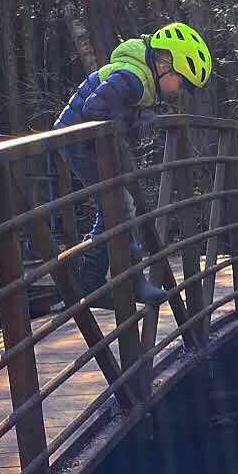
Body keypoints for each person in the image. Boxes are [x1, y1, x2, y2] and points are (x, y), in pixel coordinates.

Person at [54, 22, 213, 305]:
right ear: (165, 66)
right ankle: (126, 280)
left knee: (114, 207)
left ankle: (91, 284)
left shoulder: (142, 76)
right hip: (76, 139)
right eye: (182, 82)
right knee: (120, 205)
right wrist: (130, 122)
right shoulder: (133, 79)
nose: (180, 91)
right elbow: (94, 109)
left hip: (82, 139)